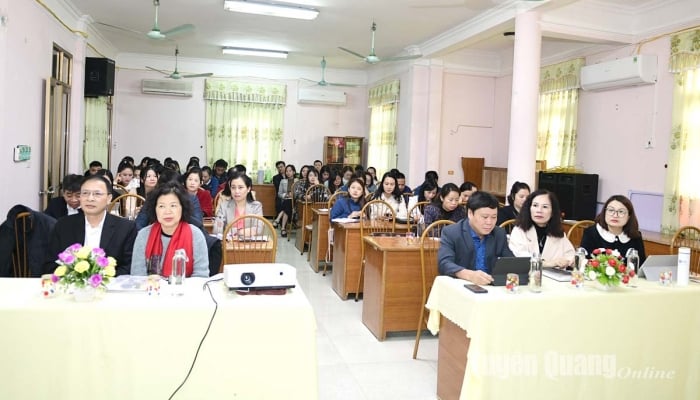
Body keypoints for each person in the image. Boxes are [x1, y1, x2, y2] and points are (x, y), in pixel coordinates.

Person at [44, 175, 137, 276]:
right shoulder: (63, 225)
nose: (90, 198)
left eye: (97, 194)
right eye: (85, 193)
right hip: (73, 287)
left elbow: (128, 266)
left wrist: (102, 279)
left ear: (109, 198)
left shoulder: (125, 228)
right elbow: (51, 263)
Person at [130, 182, 209, 278]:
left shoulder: (196, 235)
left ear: (182, 208)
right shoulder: (143, 236)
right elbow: (137, 277)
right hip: (152, 291)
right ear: (154, 209)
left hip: (186, 292)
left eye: (173, 206)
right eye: (161, 206)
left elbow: (201, 276)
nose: (167, 211)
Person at [438, 191, 514, 285]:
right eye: (484, 217)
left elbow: (511, 262)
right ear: (470, 213)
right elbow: (444, 263)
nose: (489, 222)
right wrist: (470, 275)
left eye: (494, 217)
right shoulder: (452, 233)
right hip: (462, 287)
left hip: (492, 288)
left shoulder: (499, 233)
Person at [508, 189, 575, 268]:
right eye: (535, 205)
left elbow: (570, 255)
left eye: (545, 207)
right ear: (529, 208)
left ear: (553, 212)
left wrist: (570, 261)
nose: (539, 210)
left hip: (553, 277)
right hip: (528, 277)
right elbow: (521, 259)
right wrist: (549, 263)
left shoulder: (558, 233)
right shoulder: (519, 230)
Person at [580, 195, 646, 262]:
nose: (615, 215)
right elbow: (583, 262)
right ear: (604, 212)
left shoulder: (635, 236)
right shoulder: (591, 233)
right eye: (611, 210)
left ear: (629, 216)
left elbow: (641, 265)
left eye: (621, 212)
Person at [215, 172, 264, 236]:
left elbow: (258, 229)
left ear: (248, 189)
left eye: (240, 187)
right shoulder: (224, 206)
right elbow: (217, 229)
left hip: (250, 244)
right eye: (233, 187)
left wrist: (236, 232)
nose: (236, 191)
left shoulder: (256, 206)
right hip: (229, 244)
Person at [273, 164, 297, 237]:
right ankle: (283, 228)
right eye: (287, 171)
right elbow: (279, 193)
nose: (288, 172)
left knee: (288, 202)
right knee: (287, 203)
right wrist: (286, 195)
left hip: (295, 202)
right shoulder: (283, 181)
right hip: (287, 201)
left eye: (290, 171)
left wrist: (292, 195)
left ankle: (278, 220)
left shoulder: (297, 181)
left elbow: (299, 193)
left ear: (294, 172)